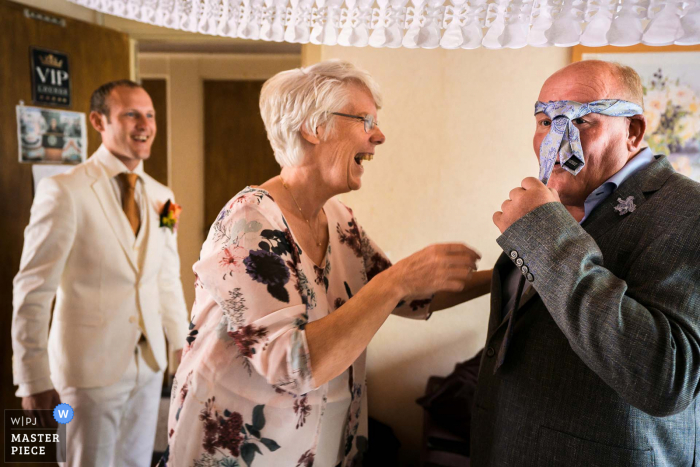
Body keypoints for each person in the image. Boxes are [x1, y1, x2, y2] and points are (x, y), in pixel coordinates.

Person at [160, 60, 491, 467]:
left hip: (323, 442)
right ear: (314, 128)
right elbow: (291, 365)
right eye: (365, 119)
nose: (380, 135)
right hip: (247, 448)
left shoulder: (338, 217)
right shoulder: (247, 222)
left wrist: (511, 274)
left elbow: (409, 297)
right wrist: (397, 282)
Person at [472, 60, 700, 465]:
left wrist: (542, 235)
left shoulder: (690, 211)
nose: (556, 139)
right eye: (545, 120)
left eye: (581, 121)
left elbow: (665, 377)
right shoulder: (557, 206)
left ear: (633, 131)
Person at [12, 80, 190, 466]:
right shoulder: (63, 191)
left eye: (150, 115)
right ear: (98, 121)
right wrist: (33, 379)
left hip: (148, 366)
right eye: (131, 114)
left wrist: (181, 345)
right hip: (86, 374)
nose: (144, 124)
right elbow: (33, 291)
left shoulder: (165, 198)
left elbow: (166, 276)